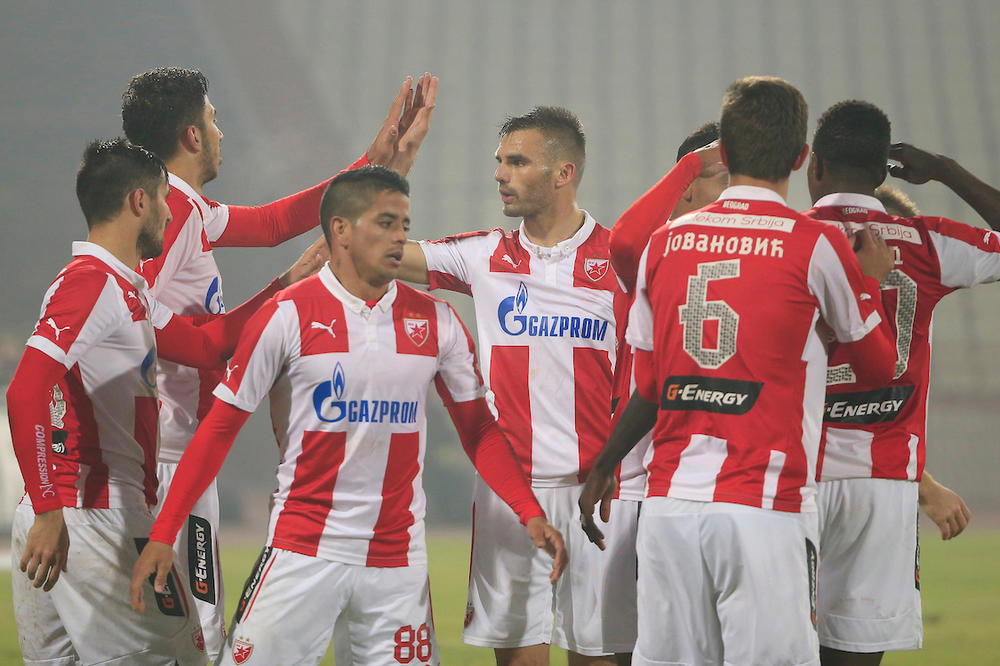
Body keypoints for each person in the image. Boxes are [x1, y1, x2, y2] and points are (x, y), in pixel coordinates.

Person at [130, 166, 567, 666]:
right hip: (302, 552)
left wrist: (528, 510)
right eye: (385, 223)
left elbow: (479, 430)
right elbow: (218, 430)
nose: (400, 237)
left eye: (404, 224)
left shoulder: (437, 321)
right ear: (340, 230)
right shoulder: (286, 314)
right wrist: (164, 532)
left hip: (397, 567)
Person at [579, 76, 898, 665]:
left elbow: (652, 383)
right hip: (764, 506)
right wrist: (871, 284)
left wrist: (605, 462)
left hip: (671, 506)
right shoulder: (815, 244)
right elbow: (878, 368)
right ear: (801, 157)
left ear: (723, 152)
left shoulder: (666, 243)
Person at [121, 66, 437, 653]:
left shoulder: (185, 207)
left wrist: (371, 164)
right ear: (192, 136)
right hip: (162, 459)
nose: (221, 133)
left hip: (168, 454)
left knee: (176, 639)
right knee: (195, 641)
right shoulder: (172, 213)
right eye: (213, 119)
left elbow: (272, 224)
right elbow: (144, 322)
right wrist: (284, 290)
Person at [6, 138, 310, 665]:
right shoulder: (92, 285)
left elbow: (206, 345)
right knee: (179, 655)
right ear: (139, 202)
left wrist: (285, 285)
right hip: (93, 514)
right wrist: (50, 508)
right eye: (166, 200)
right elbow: (25, 390)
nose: (172, 214)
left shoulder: (125, 290)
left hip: (75, 512)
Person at [394, 106, 626, 664]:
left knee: (598, 656)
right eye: (500, 161)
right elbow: (376, 246)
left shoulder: (622, 261)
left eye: (518, 162)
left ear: (563, 173)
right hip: (510, 495)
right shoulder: (482, 256)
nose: (499, 173)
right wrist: (394, 164)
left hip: (597, 493)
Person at [803, 100, 998, 666]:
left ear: (816, 167)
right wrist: (946, 170)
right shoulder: (927, 242)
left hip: (790, 479)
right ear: (883, 172)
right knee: (856, 656)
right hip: (883, 485)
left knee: (777, 648)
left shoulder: (787, 239)